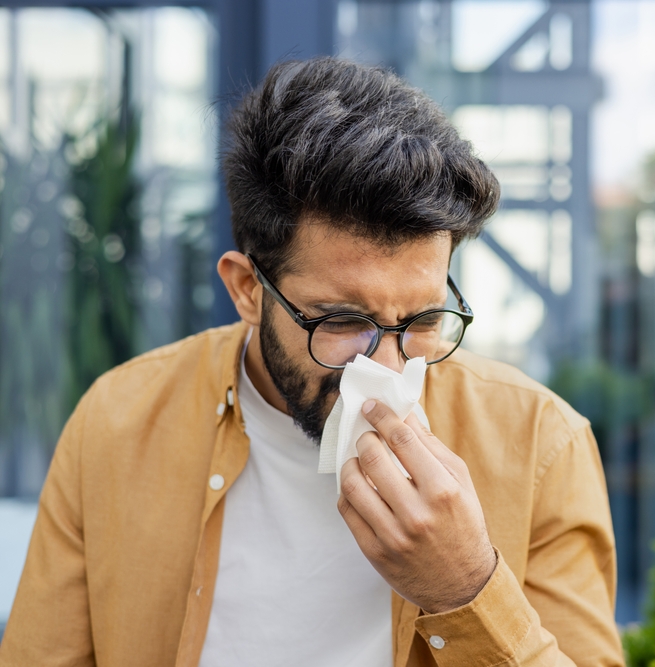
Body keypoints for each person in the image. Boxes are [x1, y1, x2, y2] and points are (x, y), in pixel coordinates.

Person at [0, 58, 623, 667]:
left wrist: (463, 589)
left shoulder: (540, 442)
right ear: (247, 289)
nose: (388, 365)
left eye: (423, 319)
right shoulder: (118, 422)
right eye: (344, 321)